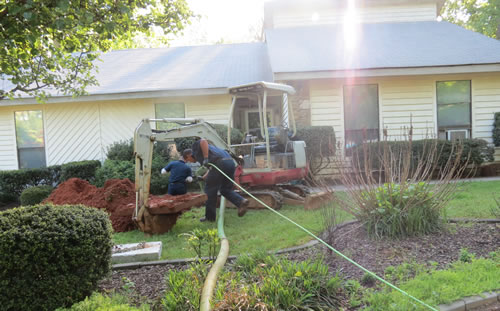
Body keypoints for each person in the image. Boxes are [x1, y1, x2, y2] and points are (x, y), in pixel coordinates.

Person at [188, 138, 249, 222]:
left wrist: (206, 158)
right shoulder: (211, 151)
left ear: (189, 155)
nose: (190, 162)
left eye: (188, 160)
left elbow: (203, 141)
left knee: (209, 191)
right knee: (225, 189)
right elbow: (212, 168)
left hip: (220, 163)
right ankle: (241, 201)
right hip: (229, 162)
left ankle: (210, 218)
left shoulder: (195, 148)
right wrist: (203, 178)